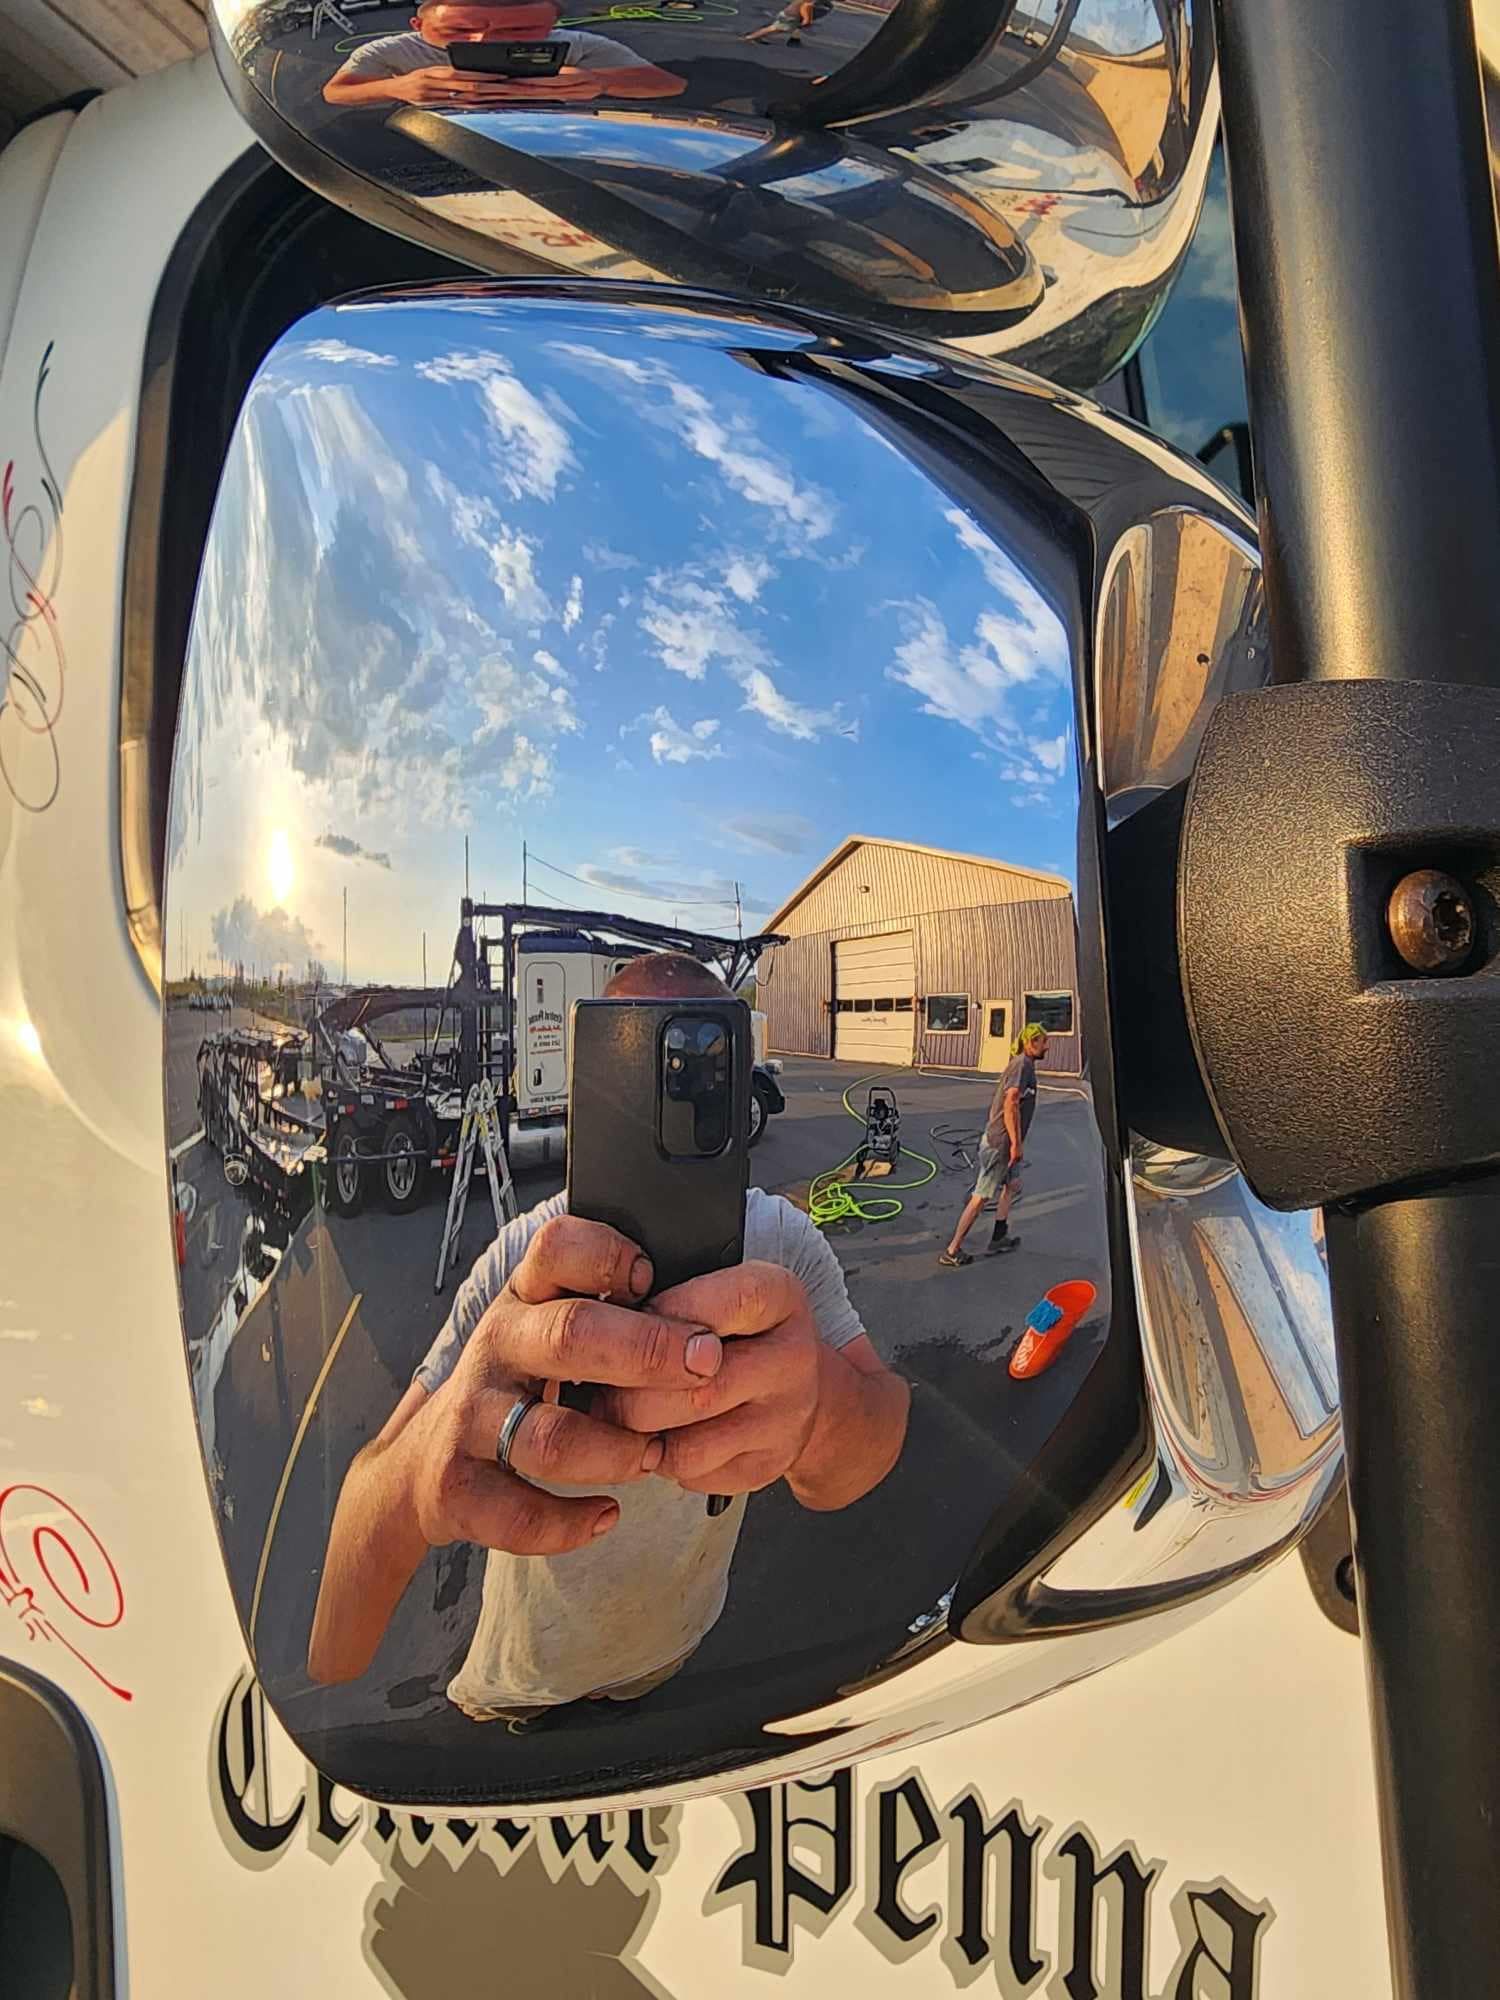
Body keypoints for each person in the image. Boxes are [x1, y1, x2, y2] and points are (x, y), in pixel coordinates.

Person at [307, 953, 909, 1725]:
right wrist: (421, 1479)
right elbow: (335, 1646)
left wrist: (821, 1407)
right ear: (595, 1080)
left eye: (702, 1064)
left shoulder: (784, 1248)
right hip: (518, 1681)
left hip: (672, 1657)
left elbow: (879, 1433)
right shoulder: (529, 1259)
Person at [322, 0, 687, 109]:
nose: (483, 41)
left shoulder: (577, 45)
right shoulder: (394, 49)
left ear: (551, 27)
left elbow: (667, 84)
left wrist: (598, 81)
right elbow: (336, 92)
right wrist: (397, 86)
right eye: (458, 31)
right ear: (417, 24)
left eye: (519, 32)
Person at [940, 1022, 1049, 1269]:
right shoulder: (1021, 1065)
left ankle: (999, 1237)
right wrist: (1016, 1146)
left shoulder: (1026, 1065)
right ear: (1031, 1043)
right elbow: (1011, 1104)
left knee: (1012, 1185)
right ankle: (952, 1249)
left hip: (1007, 1143)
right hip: (1000, 1143)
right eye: (1043, 1041)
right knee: (980, 1197)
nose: (1047, 1046)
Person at [744, 0, 831, 47]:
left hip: (789, 13)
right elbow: (806, 6)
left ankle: (757, 37)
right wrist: (807, 19)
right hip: (792, 15)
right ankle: (751, 37)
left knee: (777, 29)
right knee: (775, 28)